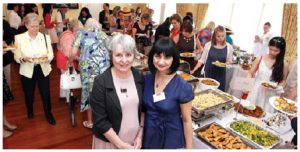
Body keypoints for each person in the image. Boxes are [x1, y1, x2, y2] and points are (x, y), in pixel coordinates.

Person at [90, 33, 144, 149]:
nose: (124, 60)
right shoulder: (101, 82)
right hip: (109, 142)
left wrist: (140, 135)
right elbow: (100, 121)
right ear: (111, 56)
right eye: (119, 55)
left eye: (128, 55)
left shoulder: (138, 76)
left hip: (134, 141)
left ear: (134, 55)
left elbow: (143, 109)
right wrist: (120, 145)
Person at [143, 37, 194, 149]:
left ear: (174, 59)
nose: (161, 61)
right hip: (149, 135)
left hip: (171, 138)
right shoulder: (146, 79)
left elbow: (187, 121)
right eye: (157, 56)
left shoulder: (183, 87)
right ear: (152, 57)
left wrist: (190, 149)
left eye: (167, 57)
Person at [13, 13, 56, 125]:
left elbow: (51, 54)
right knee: (29, 93)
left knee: (45, 93)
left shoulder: (45, 37)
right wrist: (23, 59)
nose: (35, 29)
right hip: (27, 69)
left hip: (42, 68)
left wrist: (45, 58)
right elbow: (16, 57)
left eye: (37, 26)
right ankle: (30, 110)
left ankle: (48, 114)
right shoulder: (19, 38)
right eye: (32, 26)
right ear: (26, 25)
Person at [72, 18, 110, 128]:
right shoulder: (102, 34)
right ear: (98, 25)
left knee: (88, 91)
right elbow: (111, 49)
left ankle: (90, 122)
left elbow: (73, 52)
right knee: (102, 91)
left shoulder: (81, 33)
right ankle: (103, 120)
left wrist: (71, 61)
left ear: (86, 26)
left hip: (87, 68)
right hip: (103, 67)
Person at [246, 37, 288, 112]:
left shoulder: (284, 64)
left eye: (276, 51)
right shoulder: (260, 58)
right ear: (268, 46)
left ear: (281, 51)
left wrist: (279, 87)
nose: (272, 52)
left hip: (272, 94)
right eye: (271, 49)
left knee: (266, 116)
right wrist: (247, 84)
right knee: (250, 112)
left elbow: (283, 80)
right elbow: (250, 73)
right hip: (257, 91)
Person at [191, 26, 233, 91]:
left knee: (218, 95)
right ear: (214, 36)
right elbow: (202, 60)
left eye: (223, 36)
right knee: (205, 93)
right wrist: (194, 70)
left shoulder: (229, 47)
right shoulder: (208, 45)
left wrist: (227, 63)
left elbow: (229, 61)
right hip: (208, 72)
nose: (221, 38)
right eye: (218, 36)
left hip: (221, 75)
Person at [57, 19, 83, 101]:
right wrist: (80, 59)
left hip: (64, 58)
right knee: (69, 79)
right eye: (79, 30)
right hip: (66, 60)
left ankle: (63, 96)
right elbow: (69, 54)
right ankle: (69, 99)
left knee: (64, 77)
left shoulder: (67, 33)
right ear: (75, 29)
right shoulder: (69, 37)